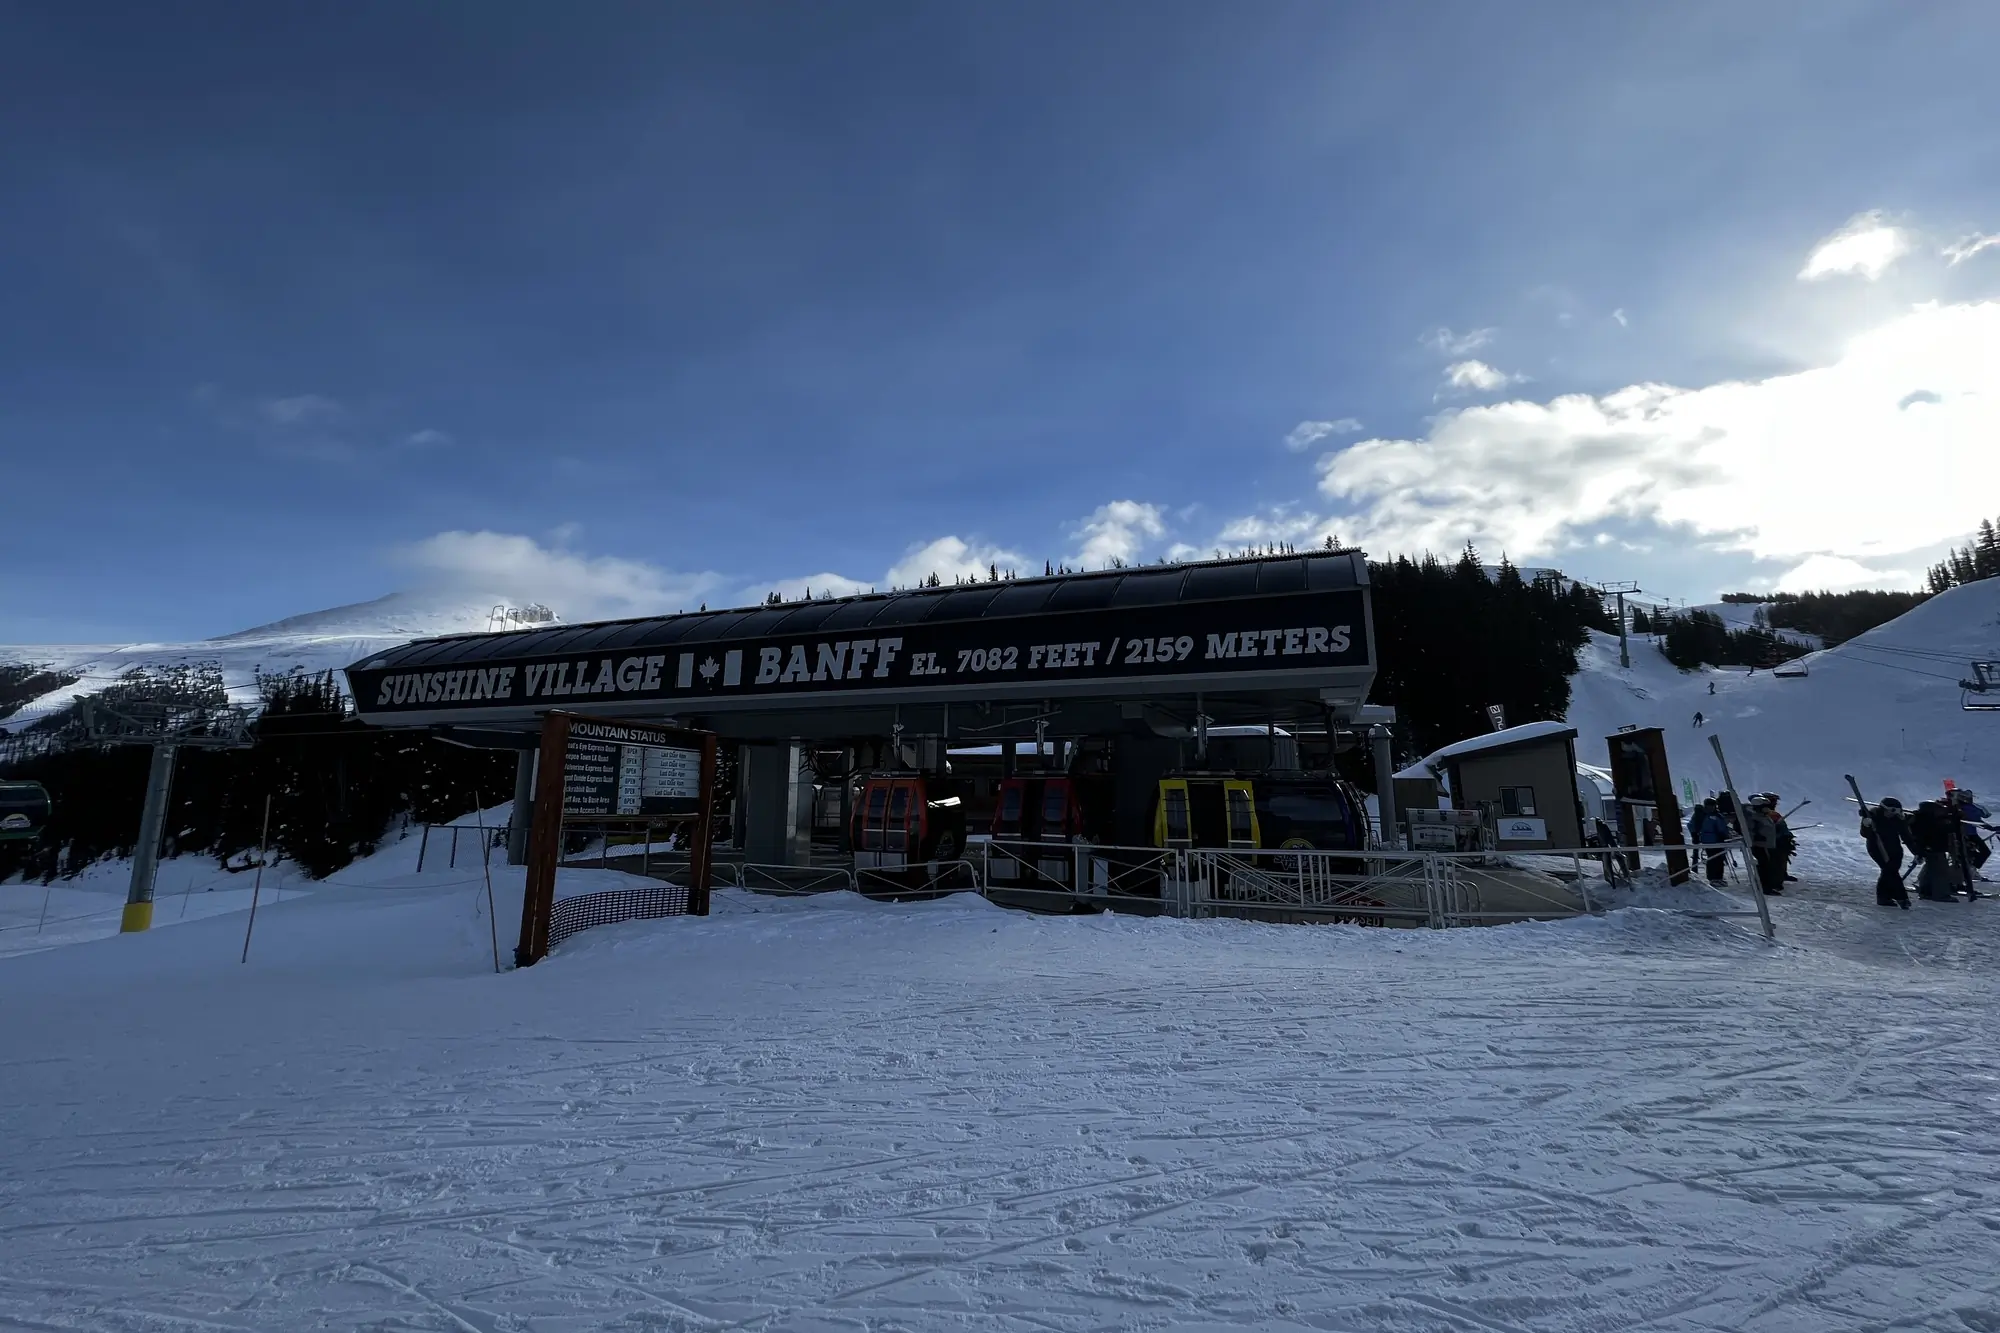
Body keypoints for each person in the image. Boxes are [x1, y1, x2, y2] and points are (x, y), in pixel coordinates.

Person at [1861, 797, 1911, 909]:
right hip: (1877, 848)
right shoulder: (1872, 816)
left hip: (1895, 849)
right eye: (1892, 811)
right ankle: (1901, 897)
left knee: (1888, 872)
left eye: (1897, 812)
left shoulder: (1897, 819)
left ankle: (1883, 897)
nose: (1893, 814)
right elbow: (1866, 834)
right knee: (1890, 870)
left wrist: (1917, 852)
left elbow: (1906, 836)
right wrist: (1866, 825)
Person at [1909, 798, 1959, 901]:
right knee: (1940, 872)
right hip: (1934, 849)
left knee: (1930, 870)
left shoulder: (1921, 819)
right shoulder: (1930, 821)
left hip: (1928, 848)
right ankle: (1941, 894)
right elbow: (1949, 827)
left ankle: (1925, 892)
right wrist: (1955, 817)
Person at [1744, 794, 1783, 895]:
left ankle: (1766, 885)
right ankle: (1764, 887)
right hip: (1759, 846)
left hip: (1766, 844)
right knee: (1763, 866)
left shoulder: (1764, 817)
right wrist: (1756, 838)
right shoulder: (1754, 818)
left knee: (1766, 865)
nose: (1768, 809)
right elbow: (1750, 831)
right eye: (1765, 807)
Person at [1689, 799, 1730, 885]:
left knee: (1718, 858)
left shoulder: (1708, 815)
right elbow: (1721, 826)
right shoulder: (1707, 815)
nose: (1712, 807)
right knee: (1714, 858)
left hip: (1714, 839)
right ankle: (1713, 878)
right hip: (1712, 840)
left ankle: (1718, 877)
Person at [1767, 793, 1799, 883]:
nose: (1775, 804)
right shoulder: (1767, 814)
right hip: (1775, 840)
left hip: (1782, 838)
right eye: (1773, 801)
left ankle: (1782, 874)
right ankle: (1775, 878)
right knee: (1775, 859)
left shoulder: (1774, 814)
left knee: (1783, 858)